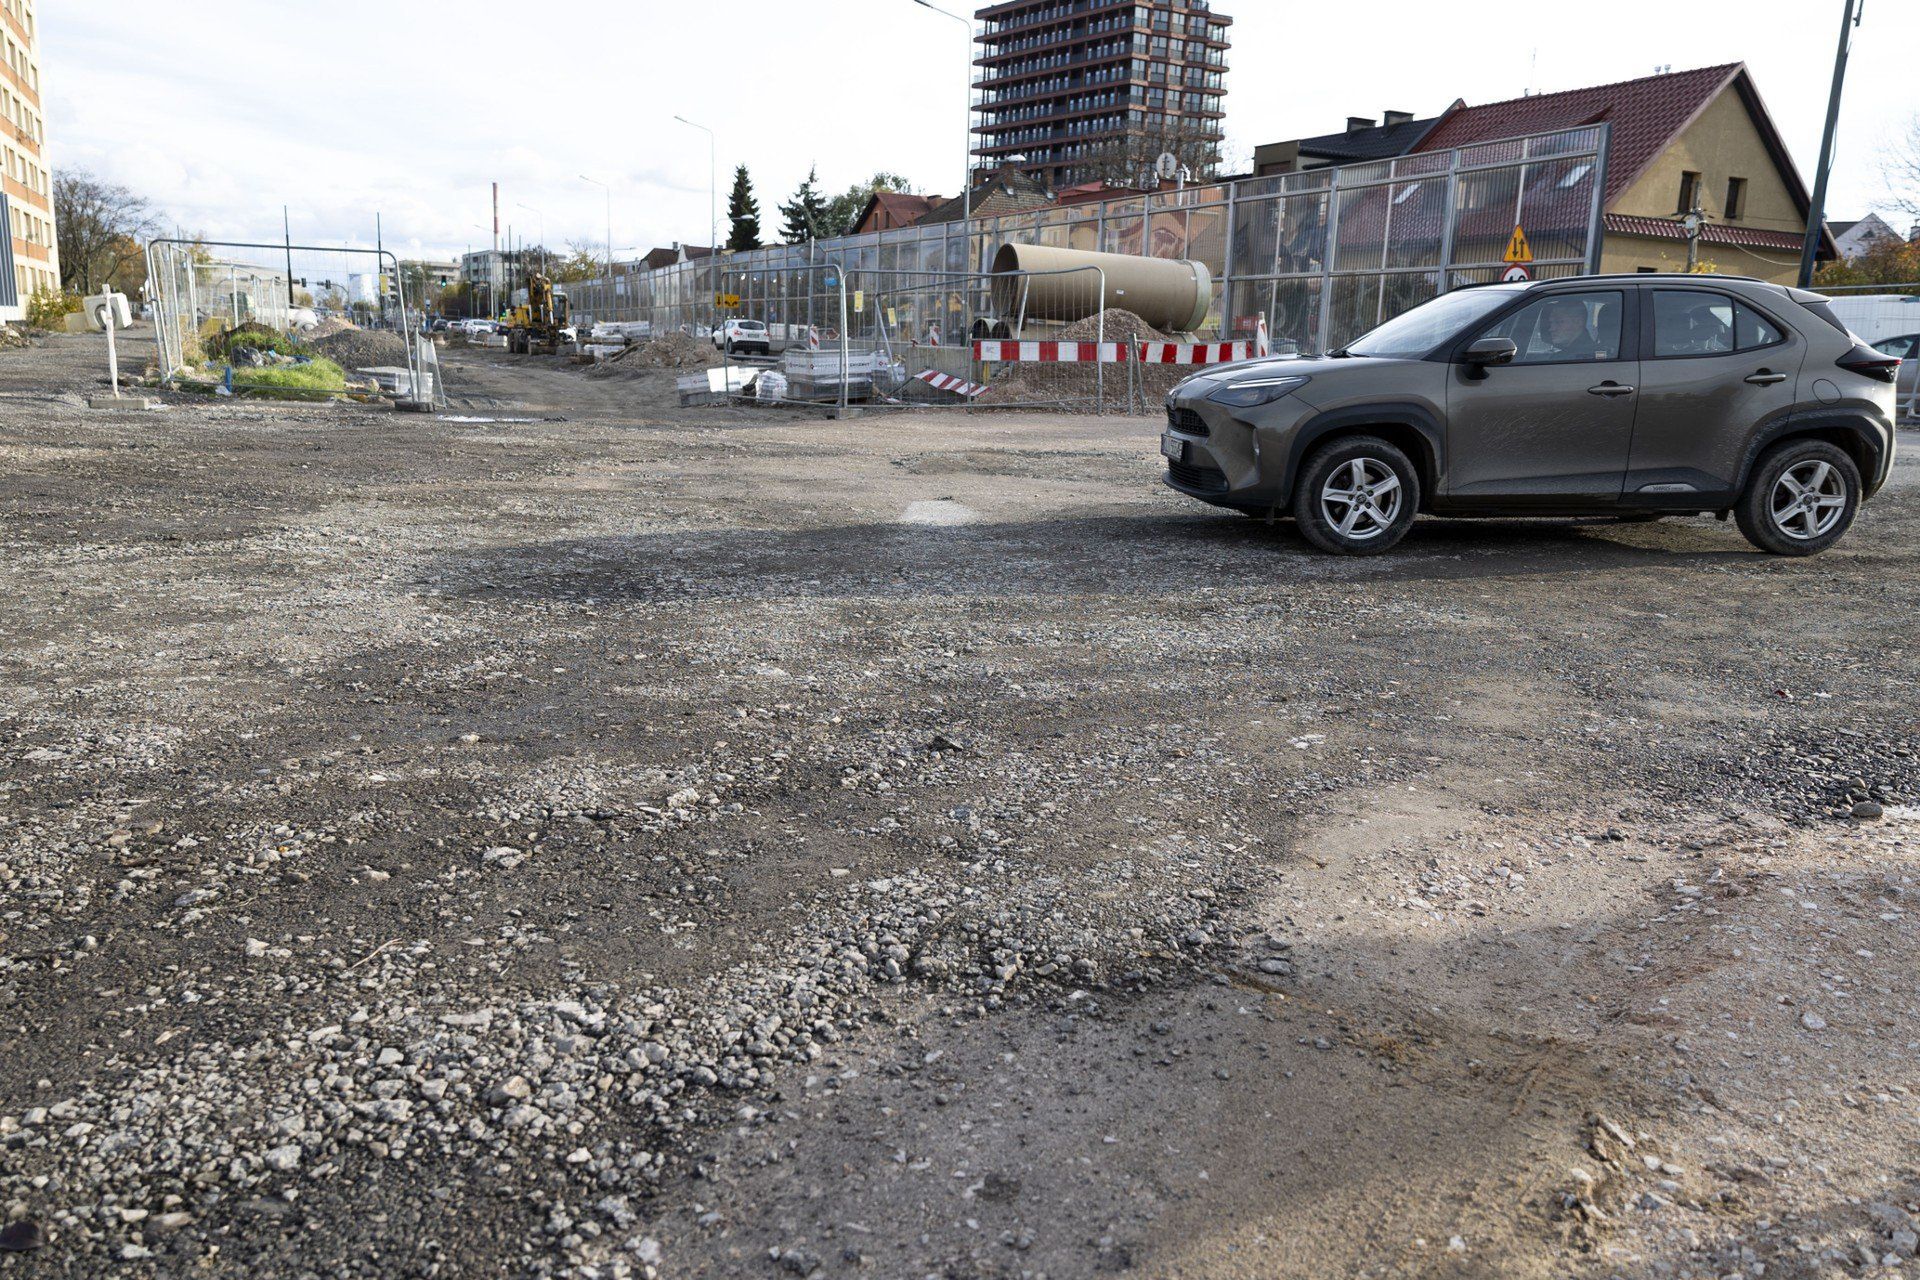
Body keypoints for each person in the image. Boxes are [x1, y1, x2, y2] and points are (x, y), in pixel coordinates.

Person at [1536, 297, 1606, 360]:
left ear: (1578, 322)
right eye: (1551, 323)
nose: (1551, 329)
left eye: (1559, 322)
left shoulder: (1565, 359)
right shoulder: (1601, 355)